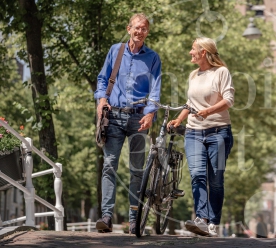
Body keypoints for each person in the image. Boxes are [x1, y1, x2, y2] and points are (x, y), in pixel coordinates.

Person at [94, 13, 161, 234]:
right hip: (114, 117)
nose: (140, 31)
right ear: (128, 28)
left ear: (147, 32)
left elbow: (155, 90)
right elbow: (103, 78)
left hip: (139, 118)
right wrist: (101, 100)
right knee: (109, 165)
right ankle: (106, 217)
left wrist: (150, 113)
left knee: (136, 171)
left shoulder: (152, 58)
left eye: (144, 29)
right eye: (136, 28)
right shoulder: (116, 51)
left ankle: (134, 219)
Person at [167, 37, 234, 237]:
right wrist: (179, 119)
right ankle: (201, 219)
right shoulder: (193, 75)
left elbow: (229, 99)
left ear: (203, 52)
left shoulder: (221, 72)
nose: (190, 52)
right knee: (197, 175)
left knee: (215, 180)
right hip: (194, 132)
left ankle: (213, 222)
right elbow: (190, 102)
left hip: (219, 132)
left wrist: (208, 111)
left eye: (193, 49)